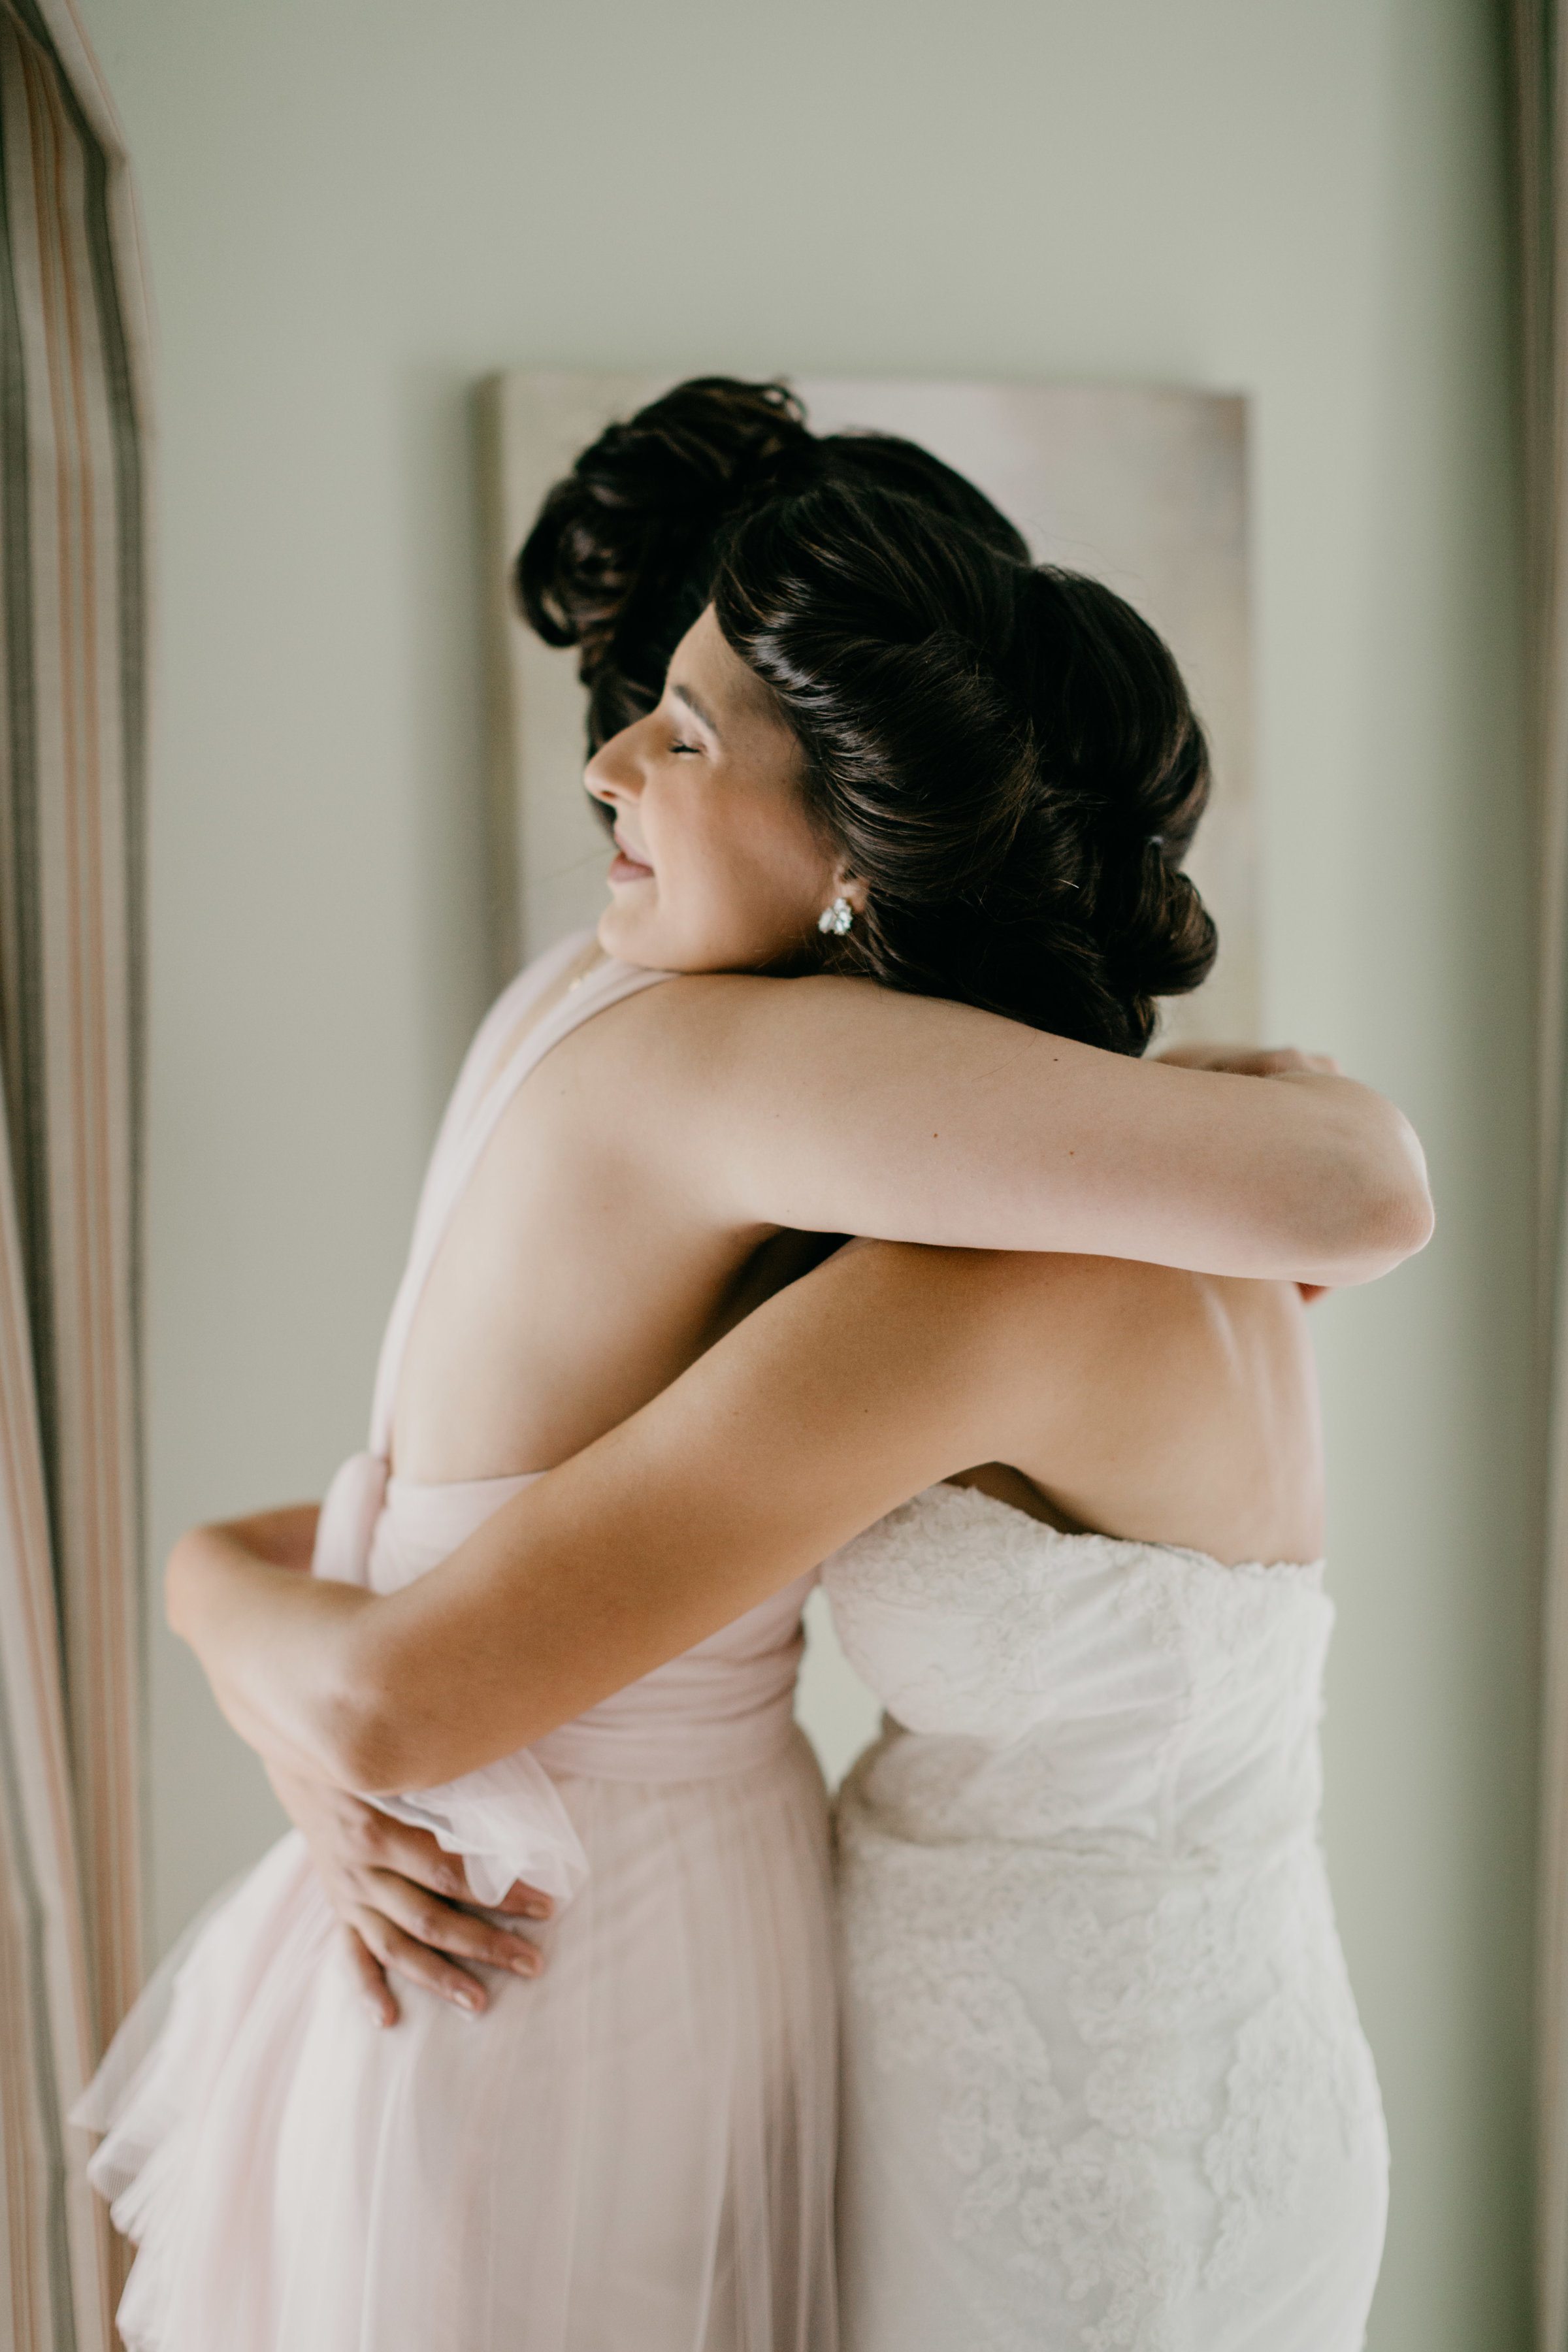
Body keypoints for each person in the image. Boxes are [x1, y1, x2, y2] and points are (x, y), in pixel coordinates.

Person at [82, 386, 1429, 2352]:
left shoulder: (888, 1226)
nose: (613, 763)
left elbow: (1357, 1189)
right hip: (1173, 2046)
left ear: (864, 850)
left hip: (966, 2090)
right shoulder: (939, 1181)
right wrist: (257, 1648)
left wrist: (259, 1653)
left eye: (690, 728)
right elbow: (461, 1562)